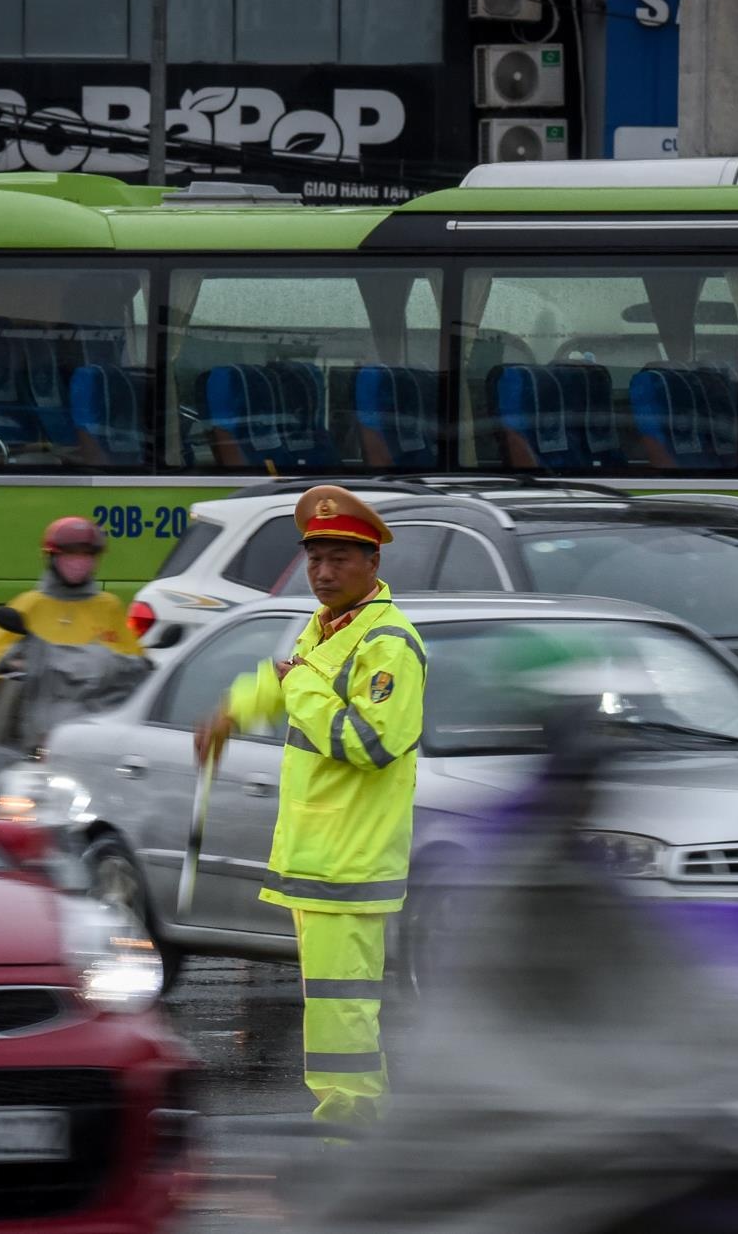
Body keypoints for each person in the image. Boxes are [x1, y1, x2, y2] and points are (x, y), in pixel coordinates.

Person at [194, 485, 426, 1133]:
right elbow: (286, 674)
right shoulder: (329, 627)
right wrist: (231, 712)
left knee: (342, 1005)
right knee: (329, 1001)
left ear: (371, 563)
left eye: (338, 559)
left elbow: (371, 743)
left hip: (349, 861)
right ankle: (346, 1112)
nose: (321, 573)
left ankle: (352, 1119)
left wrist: (298, 687)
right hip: (320, 856)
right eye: (314, 559)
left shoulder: (388, 644)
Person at [0, 515, 143, 681]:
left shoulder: (109, 606)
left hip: (94, 710)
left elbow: (135, 662)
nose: (79, 562)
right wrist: (13, 664)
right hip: (36, 711)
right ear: (52, 557)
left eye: (86, 554)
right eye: (70, 554)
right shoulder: (29, 604)